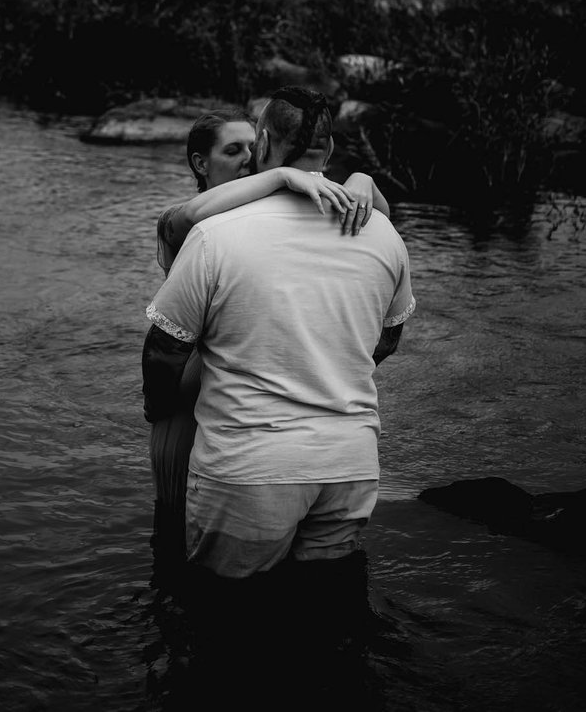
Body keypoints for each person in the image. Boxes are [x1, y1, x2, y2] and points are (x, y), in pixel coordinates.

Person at [142, 87, 414, 591]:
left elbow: (162, 352)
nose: (246, 160)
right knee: (322, 615)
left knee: (222, 618)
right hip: (347, 459)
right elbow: (388, 339)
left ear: (265, 141)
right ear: (328, 151)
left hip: (246, 457)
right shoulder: (379, 231)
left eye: (252, 147)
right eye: (232, 150)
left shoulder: (218, 236)